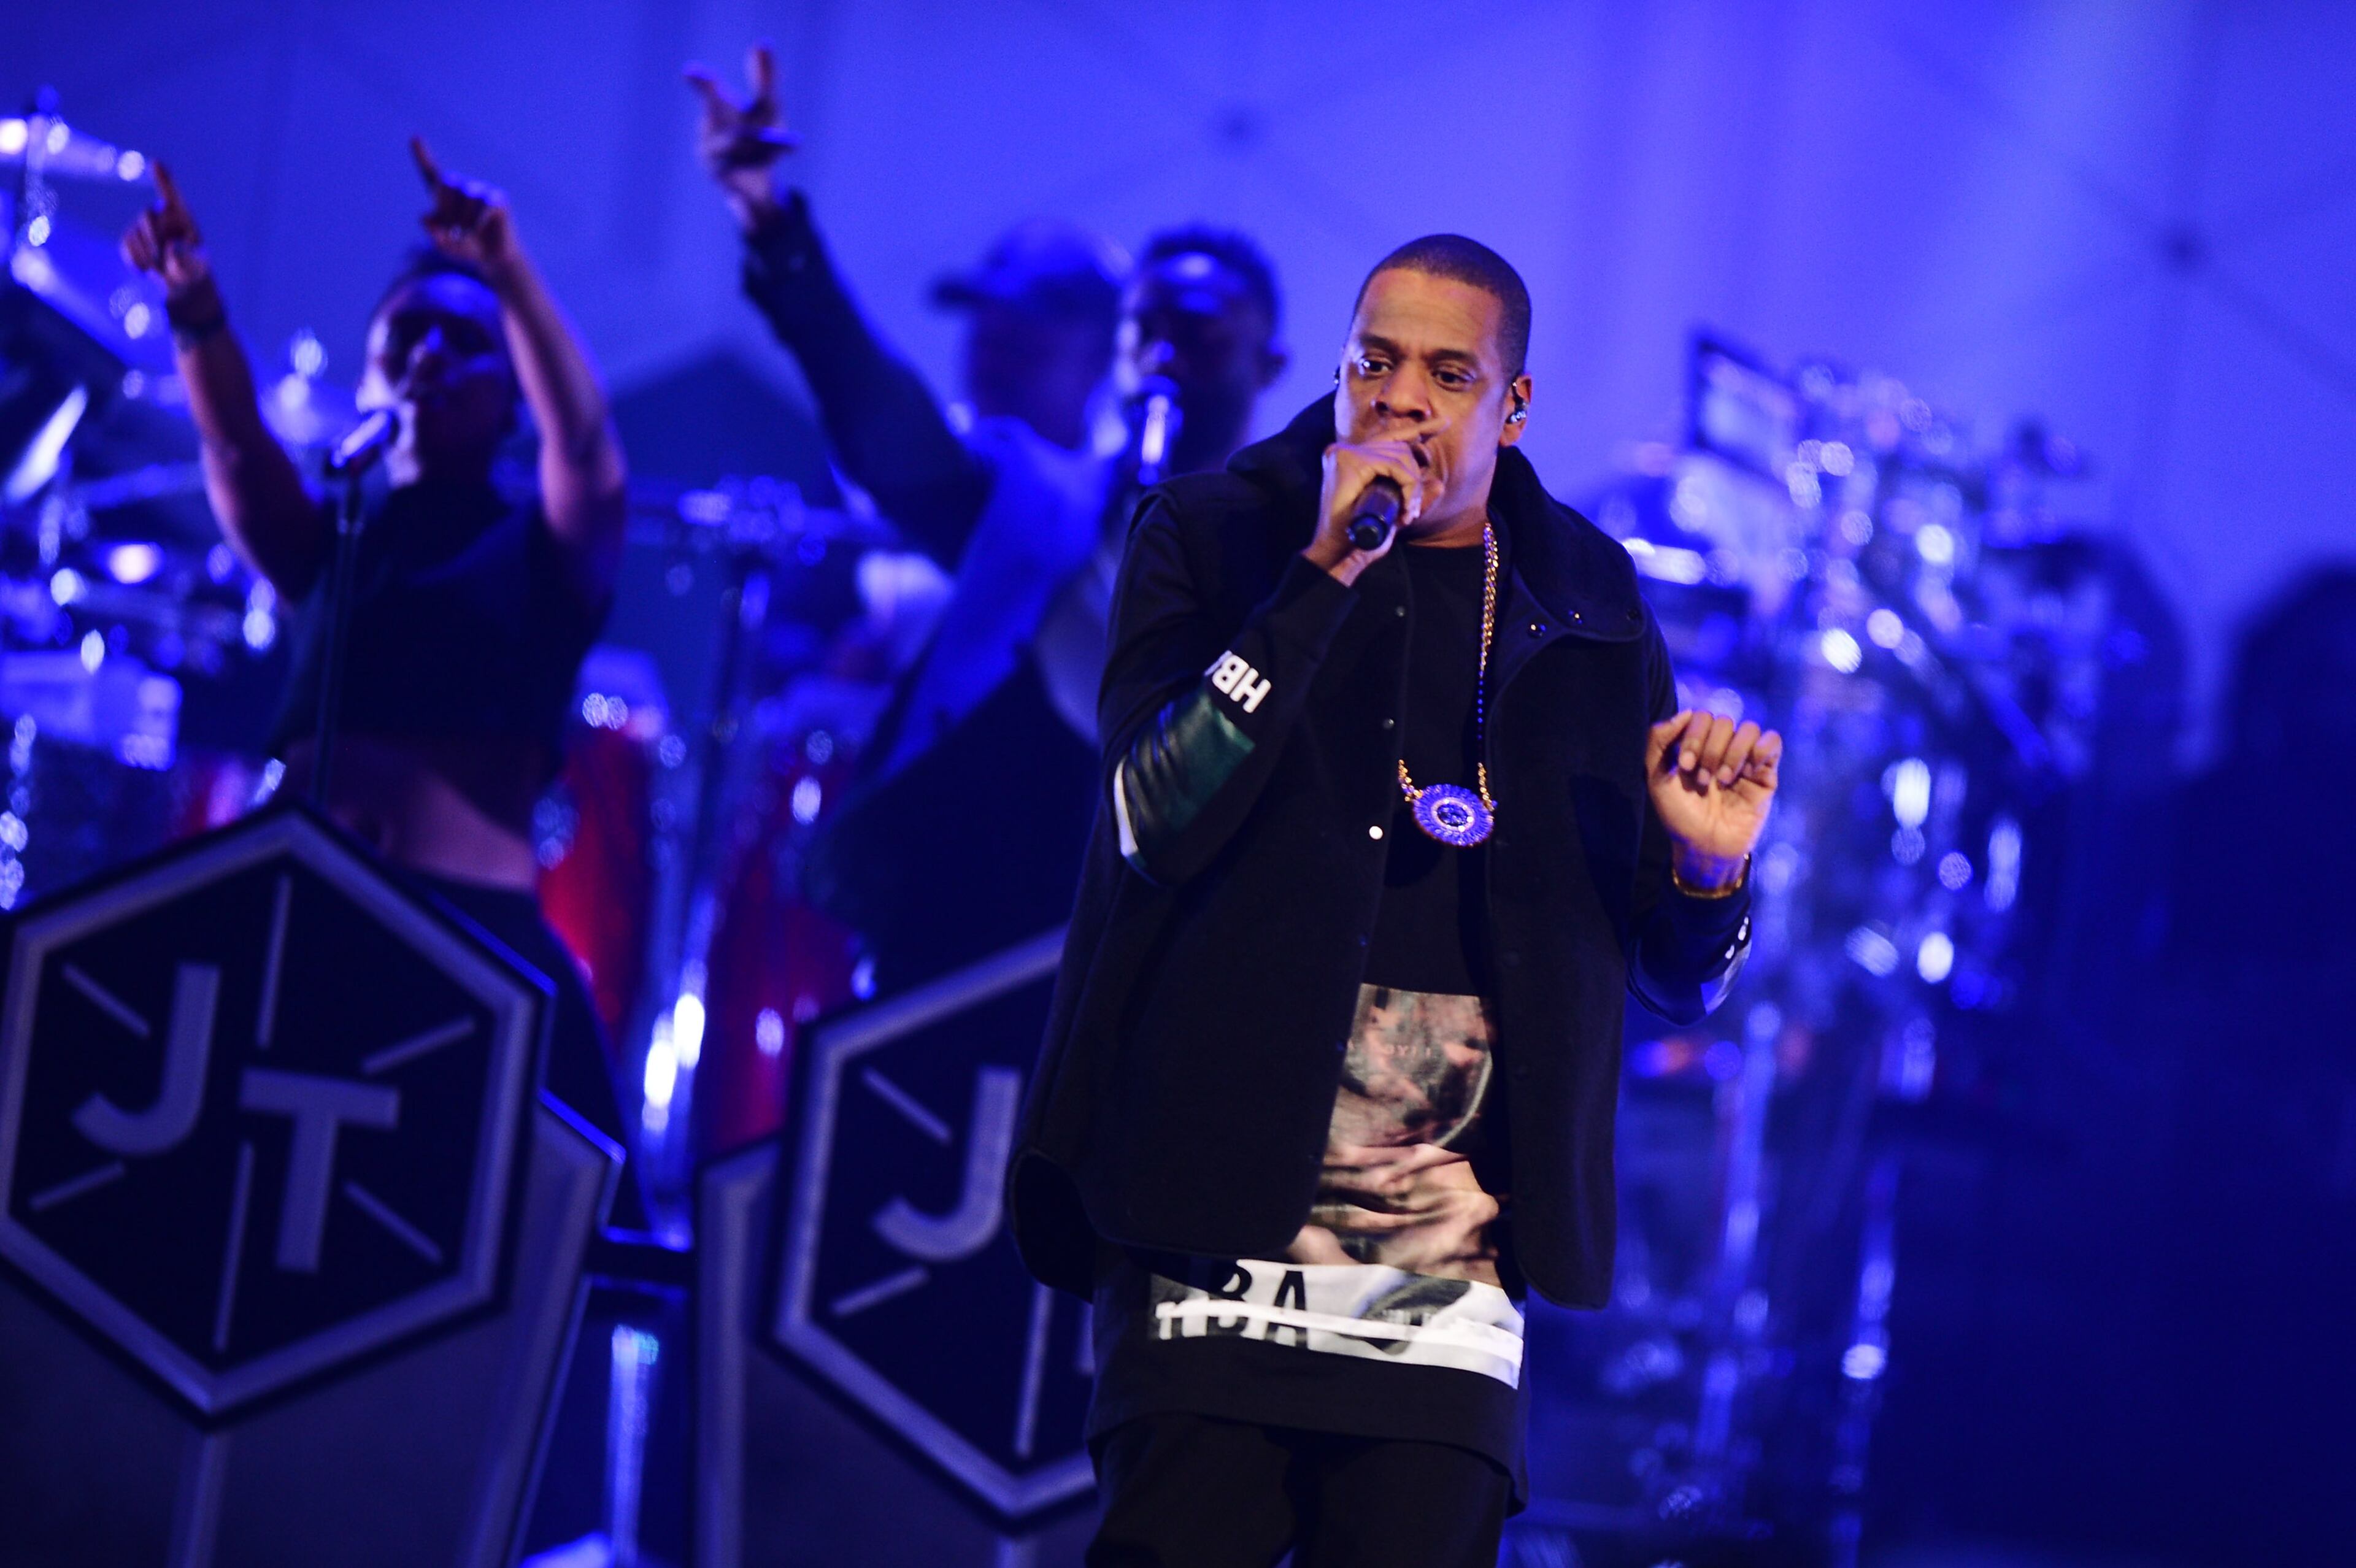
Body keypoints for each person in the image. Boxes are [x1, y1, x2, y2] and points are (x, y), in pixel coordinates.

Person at [1009, 236, 1782, 1566]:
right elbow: (1153, 813)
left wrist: (1710, 873)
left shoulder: (1591, 607)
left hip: (1448, 1273)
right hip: (1210, 1225)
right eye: (1375, 362)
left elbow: (1669, 976)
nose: (1402, 399)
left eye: (1448, 373)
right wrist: (1320, 576)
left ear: (1513, 406)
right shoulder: (1214, 535)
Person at [686, 44, 1288, 994]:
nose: (1167, 350)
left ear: (1269, 364)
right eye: (1147, 324)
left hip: (1136, 975)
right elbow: (889, 432)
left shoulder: (1294, 567)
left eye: (1203, 325)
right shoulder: (1032, 499)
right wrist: (771, 223)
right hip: (948, 940)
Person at [120, 140, 632, 1150]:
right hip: (295, 919)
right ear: (368, 377)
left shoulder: (546, 553)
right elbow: (237, 448)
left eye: (463, 340)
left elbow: (586, 449)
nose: (428, 356)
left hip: (470, 947)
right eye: (404, 337)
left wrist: (509, 273)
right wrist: (194, 303)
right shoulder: (337, 537)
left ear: (511, 395)